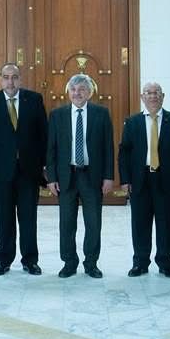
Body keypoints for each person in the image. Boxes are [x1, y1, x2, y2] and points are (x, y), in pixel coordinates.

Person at [0, 62, 47, 276]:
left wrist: (45, 166)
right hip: (0, 172)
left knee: (28, 218)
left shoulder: (34, 100)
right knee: (4, 218)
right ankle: (3, 260)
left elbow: (43, 135)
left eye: (14, 77)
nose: (10, 82)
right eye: (6, 77)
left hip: (29, 171)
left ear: (20, 79)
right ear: (0, 80)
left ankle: (30, 260)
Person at [118, 81, 170, 278]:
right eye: (148, 93)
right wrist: (125, 179)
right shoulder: (132, 122)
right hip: (140, 180)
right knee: (140, 224)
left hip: (167, 180)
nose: (153, 96)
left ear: (163, 96)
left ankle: (165, 263)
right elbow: (124, 153)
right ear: (142, 97)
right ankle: (140, 263)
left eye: (156, 92)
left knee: (166, 223)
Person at [46, 74, 114, 279]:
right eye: (73, 89)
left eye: (82, 89)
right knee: (67, 223)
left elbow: (108, 148)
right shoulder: (57, 115)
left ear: (89, 92)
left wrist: (108, 177)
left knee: (93, 223)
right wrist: (51, 178)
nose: (77, 93)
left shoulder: (101, 114)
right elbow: (51, 149)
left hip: (92, 176)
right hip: (66, 176)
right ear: (68, 92)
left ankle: (91, 263)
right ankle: (69, 262)